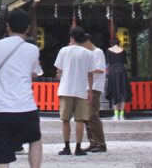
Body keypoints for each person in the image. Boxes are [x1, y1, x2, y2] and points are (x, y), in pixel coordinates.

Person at [0, 9, 43, 168]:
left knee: (2, 154)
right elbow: (33, 74)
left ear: (8, 26)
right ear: (27, 28)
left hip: (2, 109)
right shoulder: (33, 49)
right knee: (35, 139)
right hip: (27, 107)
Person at [53, 26, 95, 156]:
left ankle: (66, 147)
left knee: (65, 120)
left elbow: (59, 71)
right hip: (81, 89)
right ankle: (78, 148)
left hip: (66, 89)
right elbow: (90, 74)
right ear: (83, 38)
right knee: (80, 120)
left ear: (71, 38)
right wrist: (90, 91)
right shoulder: (89, 53)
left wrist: (62, 76)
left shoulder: (63, 51)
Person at [81, 35, 107, 153]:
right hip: (86, 87)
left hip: (95, 87)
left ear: (88, 41)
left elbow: (100, 69)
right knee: (87, 117)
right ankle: (93, 142)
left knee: (92, 115)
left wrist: (85, 70)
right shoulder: (87, 54)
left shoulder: (98, 52)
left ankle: (101, 143)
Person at [105, 38, 129, 121]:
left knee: (114, 91)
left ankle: (116, 115)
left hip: (113, 72)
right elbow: (125, 64)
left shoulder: (108, 50)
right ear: (119, 43)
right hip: (122, 72)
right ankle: (121, 115)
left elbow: (107, 64)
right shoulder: (123, 50)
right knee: (122, 92)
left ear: (111, 43)